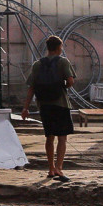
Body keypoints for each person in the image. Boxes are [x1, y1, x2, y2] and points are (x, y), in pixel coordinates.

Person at [22, 35, 76, 181]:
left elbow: (31, 88)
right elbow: (70, 81)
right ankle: (59, 168)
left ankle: (51, 168)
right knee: (62, 137)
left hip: (44, 105)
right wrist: (62, 85)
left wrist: (25, 108)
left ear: (48, 48)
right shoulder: (63, 62)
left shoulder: (37, 64)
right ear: (59, 48)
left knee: (49, 137)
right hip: (61, 104)